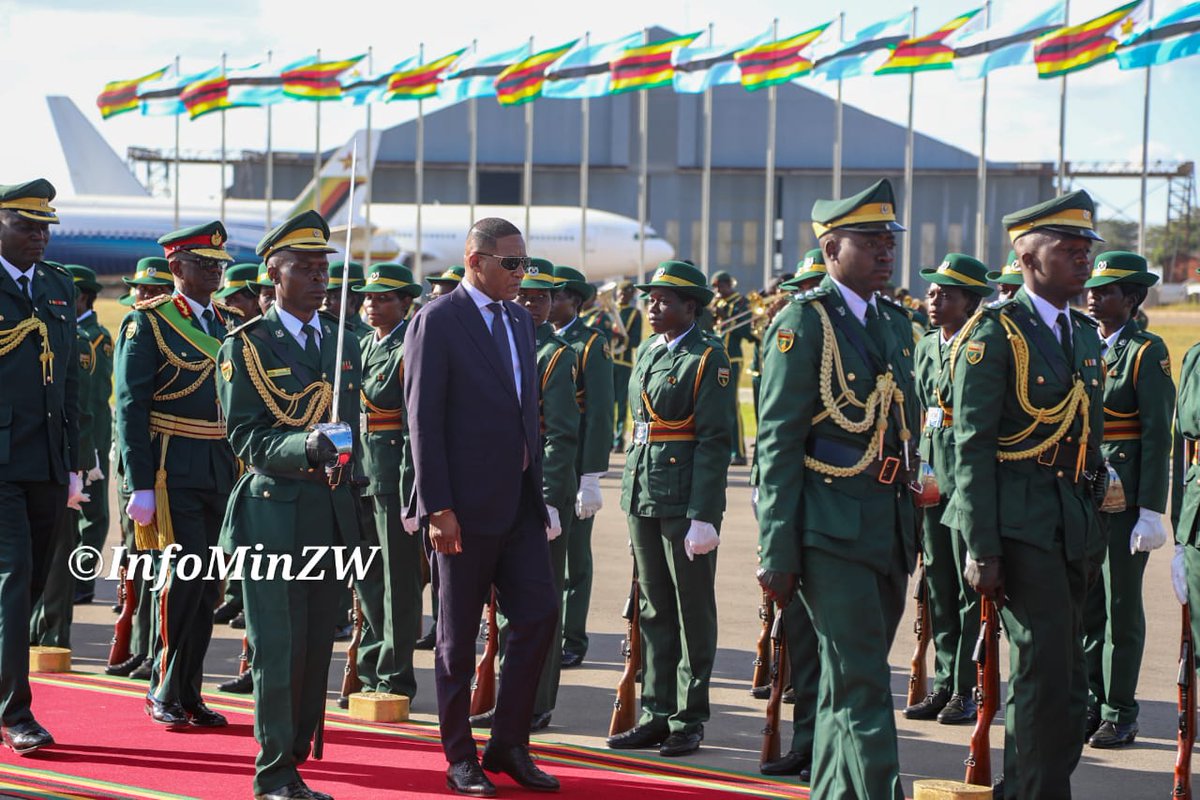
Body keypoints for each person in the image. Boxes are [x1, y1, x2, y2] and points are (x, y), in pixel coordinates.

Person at [755, 178, 919, 799]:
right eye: (871, 240)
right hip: (828, 527)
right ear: (830, 249)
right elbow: (777, 444)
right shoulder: (802, 324)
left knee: (844, 689)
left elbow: (902, 425)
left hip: (888, 523)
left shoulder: (895, 324)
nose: (885, 251)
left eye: (889, 240)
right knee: (864, 682)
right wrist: (776, 550)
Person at [945, 189, 1107, 799]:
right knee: (1042, 679)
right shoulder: (994, 335)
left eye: (1085, 247)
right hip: (1020, 528)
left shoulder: (1082, 334)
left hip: (1073, 524)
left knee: (1069, 683)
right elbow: (973, 449)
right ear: (1027, 255)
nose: (1083, 258)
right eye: (1068, 248)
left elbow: (1084, 432)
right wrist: (981, 548)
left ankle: (1033, 789)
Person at [405, 217, 560, 796]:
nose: (522, 275)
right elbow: (422, 422)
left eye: (525, 264)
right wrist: (437, 507)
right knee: (456, 636)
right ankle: (459, 756)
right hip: (462, 509)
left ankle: (509, 744)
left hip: (519, 501)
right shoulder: (436, 321)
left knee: (540, 615)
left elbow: (525, 410)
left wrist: (538, 490)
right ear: (476, 260)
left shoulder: (521, 319)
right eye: (511, 264)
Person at [216, 209, 362, 800]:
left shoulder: (343, 340)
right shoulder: (247, 345)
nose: (319, 277)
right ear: (273, 275)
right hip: (273, 514)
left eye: (323, 267)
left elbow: (357, 432)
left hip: (330, 513)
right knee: (276, 646)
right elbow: (245, 436)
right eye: (303, 267)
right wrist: (307, 444)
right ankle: (274, 771)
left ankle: (297, 748)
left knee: (315, 643)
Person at [116, 221, 240, 729]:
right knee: (183, 582)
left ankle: (190, 691)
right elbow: (130, 405)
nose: (214, 272)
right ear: (176, 267)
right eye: (203, 264)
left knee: (209, 586)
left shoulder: (230, 323)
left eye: (218, 265)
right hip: (171, 467)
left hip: (220, 468)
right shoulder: (148, 322)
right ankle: (162, 686)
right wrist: (138, 482)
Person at [606, 261, 733, 757]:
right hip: (644, 492)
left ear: (691, 307)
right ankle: (657, 712)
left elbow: (715, 440)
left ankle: (689, 716)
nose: (652, 308)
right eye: (650, 299)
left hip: (684, 499)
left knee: (692, 609)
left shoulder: (708, 358)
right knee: (654, 608)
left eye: (663, 301)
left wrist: (706, 514)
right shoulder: (649, 352)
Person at [0, 178, 84, 755]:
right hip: (1, 463)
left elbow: (71, 384)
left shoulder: (57, 286)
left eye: (44, 226)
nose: (39, 236)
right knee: (12, 581)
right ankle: (16, 714)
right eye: (25, 225)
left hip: (48, 462)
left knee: (27, 587)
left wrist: (77, 463)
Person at [480, 258, 579, 732]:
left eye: (540, 297)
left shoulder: (556, 355)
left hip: (537, 496)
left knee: (538, 607)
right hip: (499, 494)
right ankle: (507, 699)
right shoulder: (499, 343)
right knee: (502, 609)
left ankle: (535, 702)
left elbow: (559, 434)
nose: (530, 303)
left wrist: (553, 496)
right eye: (525, 296)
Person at [1081, 251, 1173, 748]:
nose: (1094, 295)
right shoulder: (1081, 343)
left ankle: (1121, 710)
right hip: (1083, 491)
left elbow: (1159, 434)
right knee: (1087, 605)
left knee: (1119, 605)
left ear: (1132, 299)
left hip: (1124, 495)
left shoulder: (1145, 351)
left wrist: (1151, 510)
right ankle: (1091, 704)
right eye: (1093, 287)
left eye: (1108, 290)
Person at [904, 254, 992, 726]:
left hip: (966, 476)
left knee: (965, 586)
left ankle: (967, 687)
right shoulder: (926, 347)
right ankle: (942, 684)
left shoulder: (981, 344)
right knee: (936, 583)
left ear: (971, 302)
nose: (934, 300)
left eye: (946, 294)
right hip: (933, 472)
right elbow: (921, 410)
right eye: (932, 292)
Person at [352, 261, 424, 704]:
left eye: (383, 299)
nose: (372, 306)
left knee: (398, 582)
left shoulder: (409, 348)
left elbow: (416, 426)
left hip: (392, 477)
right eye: (368, 298)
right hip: (359, 471)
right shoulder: (362, 346)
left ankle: (395, 676)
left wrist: (409, 489)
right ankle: (370, 663)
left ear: (405, 304)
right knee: (365, 578)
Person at [30, 264, 111, 647]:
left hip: (68, 451)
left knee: (73, 535)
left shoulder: (84, 340)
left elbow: (83, 402)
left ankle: (52, 629)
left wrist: (84, 456)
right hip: (32, 450)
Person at [108, 258, 174, 680]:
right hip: (130, 466)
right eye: (140, 289)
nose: (145, 297)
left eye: (154, 290)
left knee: (162, 566)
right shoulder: (133, 327)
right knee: (138, 563)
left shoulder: (167, 331)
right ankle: (143, 645)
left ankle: (156, 649)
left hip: (161, 466)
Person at [550, 265, 614, 670]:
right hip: (539, 463)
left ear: (574, 300)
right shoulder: (527, 336)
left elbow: (600, 414)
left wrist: (590, 474)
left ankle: (572, 636)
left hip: (573, 465)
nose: (544, 301)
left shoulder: (590, 344)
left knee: (574, 559)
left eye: (555, 295)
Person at [710, 271, 754, 465]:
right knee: (717, 405)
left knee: (732, 404)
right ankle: (723, 448)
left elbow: (747, 333)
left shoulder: (741, 303)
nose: (717, 291)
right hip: (716, 357)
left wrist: (725, 315)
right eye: (715, 287)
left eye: (720, 286)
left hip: (733, 358)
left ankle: (739, 451)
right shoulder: (717, 303)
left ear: (729, 285)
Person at [612, 280, 643, 453]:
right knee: (607, 403)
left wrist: (621, 336)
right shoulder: (609, 310)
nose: (624, 295)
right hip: (607, 361)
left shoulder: (634, 314)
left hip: (623, 362)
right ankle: (607, 439)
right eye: (622, 292)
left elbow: (636, 340)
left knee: (622, 404)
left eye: (628, 293)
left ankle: (618, 440)